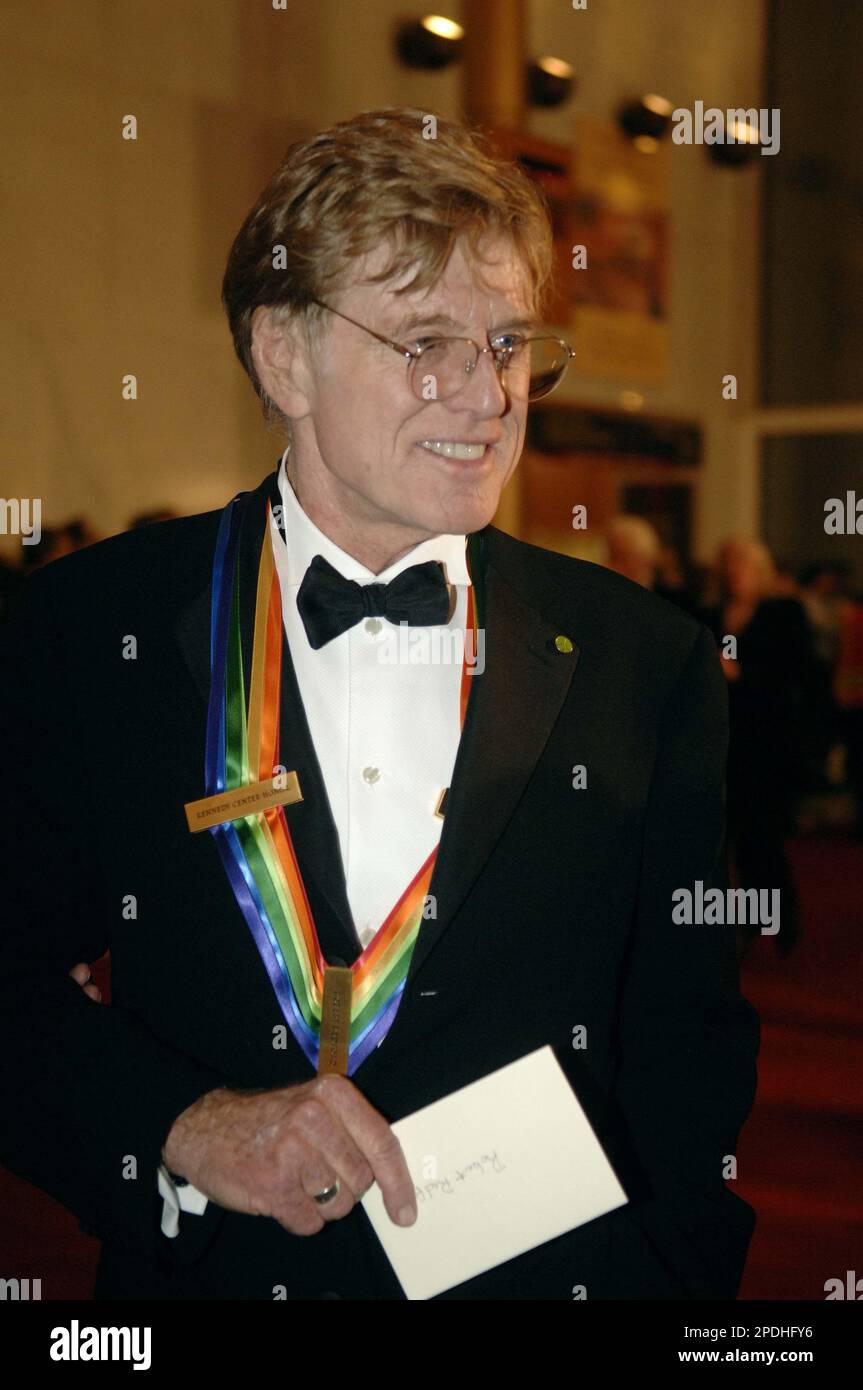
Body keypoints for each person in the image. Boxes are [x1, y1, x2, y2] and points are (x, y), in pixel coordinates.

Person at [0, 107, 759, 1301]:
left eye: (506, 343)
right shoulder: (93, 633)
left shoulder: (640, 661)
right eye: (424, 342)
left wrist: (668, 1280)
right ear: (281, 357)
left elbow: (684, 1040)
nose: (487, 396)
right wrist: (183, 1123)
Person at [701, 538, 816, 955]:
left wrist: (740, 673)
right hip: (725, 740)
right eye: (729, 564)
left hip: (767, 741)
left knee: (762, 836)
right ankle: (747, 920)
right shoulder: (713, 612)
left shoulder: (783, 612)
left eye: (744, 564)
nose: (736, 572)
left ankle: (781, 917)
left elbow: (797, 674)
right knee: (728, 836)